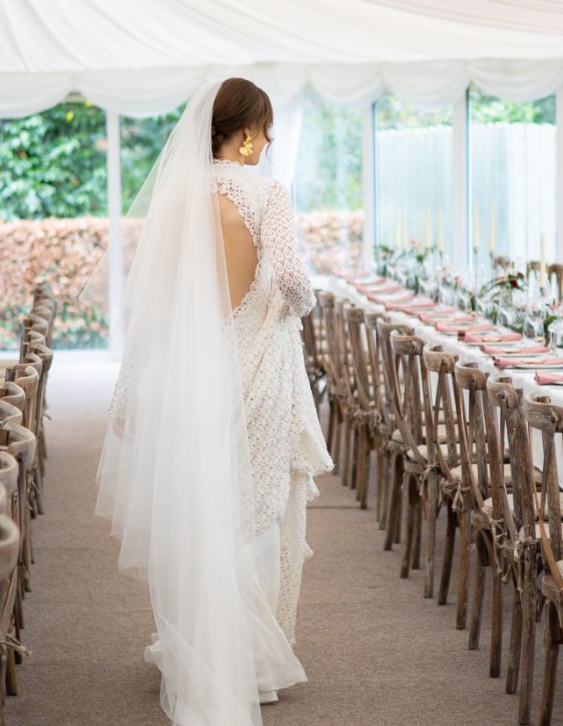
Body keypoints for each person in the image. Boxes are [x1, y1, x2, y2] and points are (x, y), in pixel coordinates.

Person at [96, 78, 333, 725]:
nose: (269, 142)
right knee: (256, 512)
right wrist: (301, 303)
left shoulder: (177, 199)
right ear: (248, 132)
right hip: (259, 373)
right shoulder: (266, 195)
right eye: (266, 130)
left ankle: (200, 647)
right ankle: (249, 663)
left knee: (203, 505)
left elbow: (152, 313)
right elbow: (292, 279)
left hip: (193, 374)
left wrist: (129, 392)